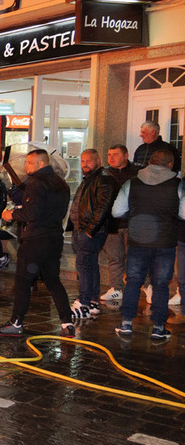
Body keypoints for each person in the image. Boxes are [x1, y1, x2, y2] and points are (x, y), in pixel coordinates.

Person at [0, 150, 75, 337]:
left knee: (23, 281)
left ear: (40, 164)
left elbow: (32, 213)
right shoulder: (61, 184)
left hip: (35, 239)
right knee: (53, 281)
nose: (26, 166)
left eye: (30, 162)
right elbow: (49, 210)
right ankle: (67, 322)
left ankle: (16, 322)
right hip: (54, 238)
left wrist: (11, 214)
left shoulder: (36, 183)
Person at [111, 148, 185, 341]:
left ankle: (126, 324)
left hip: (137, 241)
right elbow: (184, 214)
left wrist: (135, 216)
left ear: (150, 162)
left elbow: (117, 212)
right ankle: (159, 327)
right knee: (161, 285)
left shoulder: (132, 183)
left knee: (133, 282)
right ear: (170, 165)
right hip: (165, 243)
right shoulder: (178, 185)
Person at [68, 149, 117, 319]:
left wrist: (91, 230)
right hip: (82, 228)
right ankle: (92, 302)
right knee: (89, 265)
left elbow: (104, 206)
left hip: (90, 231)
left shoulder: (103, 179)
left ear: (98, 160)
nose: (85, 164)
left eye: (89, 160)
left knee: (84, 265)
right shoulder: (90, 179)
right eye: (82, 161)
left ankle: (84, 302)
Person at [100, 144, 139, 301]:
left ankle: (143, 286)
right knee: (115, 258)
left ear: (126, 155)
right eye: (109, 155)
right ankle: (116, 288)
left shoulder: (138, 173)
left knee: (135, 258)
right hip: (112, 223)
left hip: (133, 222)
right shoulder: (105, 173)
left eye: (115, 154)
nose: (111, 158)